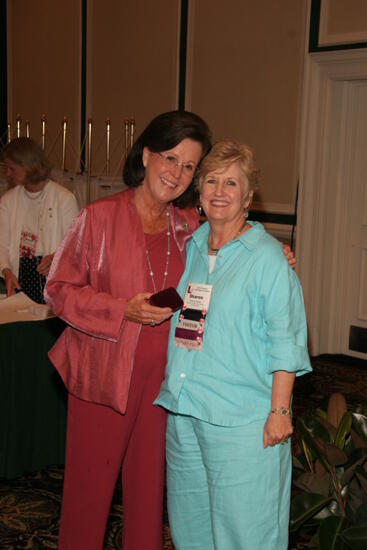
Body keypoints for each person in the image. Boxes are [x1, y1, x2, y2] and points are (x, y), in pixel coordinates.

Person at [44, 112, 295, 550]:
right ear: (146, 155)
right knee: (88, 499)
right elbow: (58, 290)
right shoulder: (97, 218)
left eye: (189, 166)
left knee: (148, 501)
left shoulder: (189, 229)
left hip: (167, 386)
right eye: (170, 158)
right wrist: (121, 309)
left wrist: (276, 252)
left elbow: (230, 243)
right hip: (104, 378)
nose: (177, 173)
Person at [154, 140, 312, 550]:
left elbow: (286, 339)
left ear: (248, 196)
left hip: (243, 422)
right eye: (211, 180)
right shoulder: (191, 245)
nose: (219, 191)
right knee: (191, 530)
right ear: (200, 192)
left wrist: (279, 412)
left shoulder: (268, 259)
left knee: (247, 535)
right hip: (186, 412)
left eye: (231, 182)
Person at [0, 137, 79, 303]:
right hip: (18, 275)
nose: (8, 174)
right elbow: (2, 244)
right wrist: (6, 271)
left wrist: (55, 258)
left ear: (28, 166)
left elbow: (75, 247)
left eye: (11, 169)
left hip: (52, 278)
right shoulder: (8, 200)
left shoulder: (64, 198)